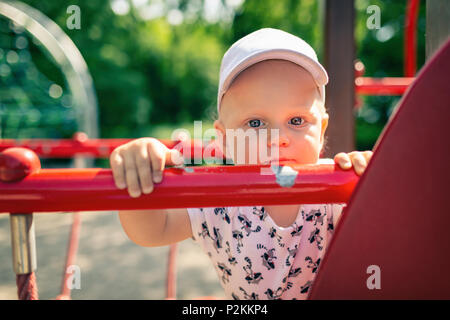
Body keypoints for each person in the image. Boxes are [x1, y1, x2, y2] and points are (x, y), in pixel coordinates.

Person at [110, 28, 373, 300]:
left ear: (321, 131)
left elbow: (384, 240)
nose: (278, 139)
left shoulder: (335, 187)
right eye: (256, 123)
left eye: (297, 121)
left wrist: (370, 180)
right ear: (224, 140)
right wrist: (140, 170)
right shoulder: (218, 197)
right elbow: (152, 230)